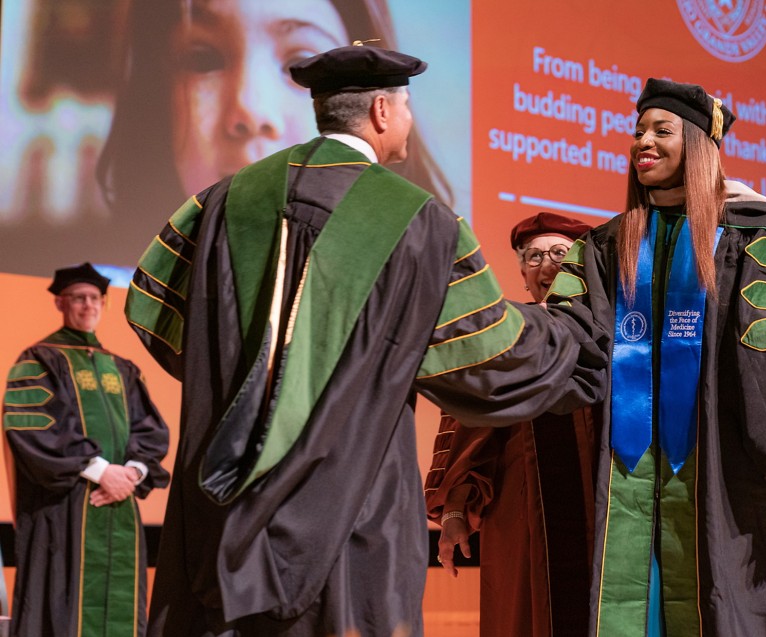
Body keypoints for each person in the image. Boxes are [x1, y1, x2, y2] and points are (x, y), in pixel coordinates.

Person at [124, 44, 605, 636]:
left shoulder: (225, 199)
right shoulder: (419, 220)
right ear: (383, 110)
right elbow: (489, 360)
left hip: (220, 496)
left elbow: (153, 308)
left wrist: (243, 377)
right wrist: (576, 329)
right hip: (353, 505)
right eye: (406, 108)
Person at [535, 78, 766, 635]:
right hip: (632, 477)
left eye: (661, 130)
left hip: (727, 466)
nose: (643, 141)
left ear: (699, 145)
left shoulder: (758, 237)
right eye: (638, 130)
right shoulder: (603, 247)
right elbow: (571, 340)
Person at [94, 0, 453, 267]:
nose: (251, 110)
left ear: (375, 108)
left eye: (299, 65)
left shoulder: (423, 240)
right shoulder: (146, 281)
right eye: (203, 60)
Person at [425, 211, 599, 637]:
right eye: (534, 256)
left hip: (603, 514)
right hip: (522, 516)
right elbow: (467, 436)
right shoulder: (506, 336)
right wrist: (453, 512)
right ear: (522, 272)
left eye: (561, 253)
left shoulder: (612, 336)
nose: (548, 265)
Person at [2, 262, 170, 637]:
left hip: (118, 503)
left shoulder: (122, 368)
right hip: (65, 507)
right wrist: (99, 470)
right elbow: (32, 427)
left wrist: (132, 472)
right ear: (60, 303)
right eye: (79, 298)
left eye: (96, 299)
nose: (88, 305)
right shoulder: (38, 361)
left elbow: (150, 430)